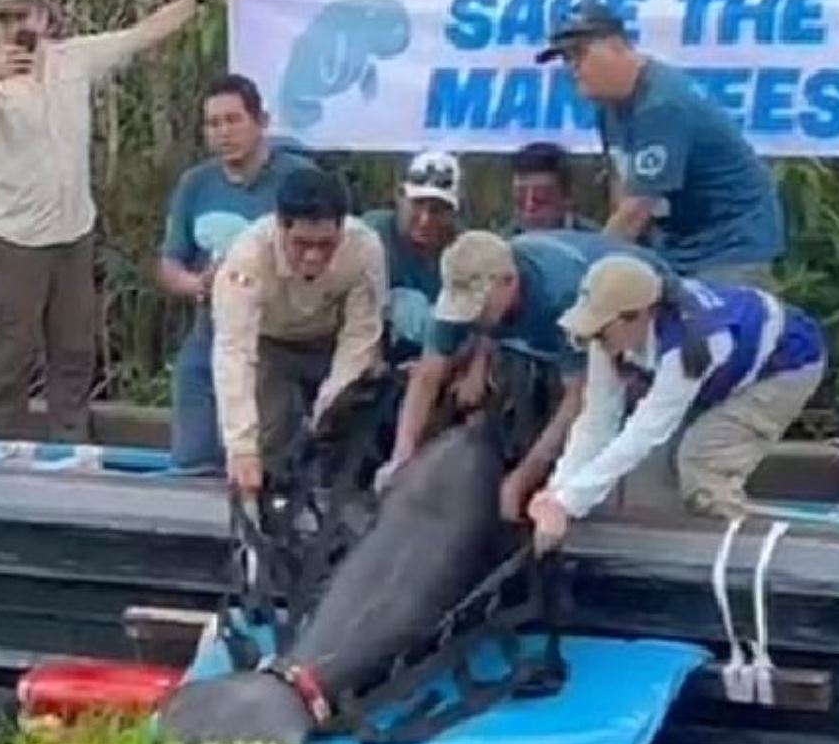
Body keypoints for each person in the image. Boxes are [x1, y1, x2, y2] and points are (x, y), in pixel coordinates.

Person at [0, 0, 236, 443]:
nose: (12, 26)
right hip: (15, 241)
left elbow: (144, 34)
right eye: (2, 18)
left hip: (73, 235)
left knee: (75, 350)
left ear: (43, 16)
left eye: (20, 15)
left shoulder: (73, 59)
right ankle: (3, 448)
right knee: (11, 355)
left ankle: (71, 442)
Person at [526, 256, 825, 548]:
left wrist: (569, 503)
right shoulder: (606, 338)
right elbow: (597, 419)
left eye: (600, 331)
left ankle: (739, 555)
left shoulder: (690, 347)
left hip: (786, 365)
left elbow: (645, 432)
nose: (593, 341)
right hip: (724, 371)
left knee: (702, 464)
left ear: (639, 315)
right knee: (659, 466)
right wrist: (558, 492)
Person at [380, 230, 668, 519]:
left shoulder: (562, 295)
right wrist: (401, 455)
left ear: (510, 283)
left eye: (479, 309)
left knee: (607, 413)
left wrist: (521, 480)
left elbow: (578, 399)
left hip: (634, 317)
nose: (472, 318)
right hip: (539, 337)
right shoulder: (475, 278)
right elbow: (428, 375)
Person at [537, 3, 784, 286]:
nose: (572, 68)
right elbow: (623, 183)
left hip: (730, 244)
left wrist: (590, 270)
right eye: (566, 59)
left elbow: (636, 210)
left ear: (617, 46)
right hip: (678, 243)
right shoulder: (609, 106)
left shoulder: (661, 105)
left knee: (708, 326)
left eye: (580, 54)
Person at [157, 74, 318, 474]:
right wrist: (197, 284)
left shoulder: (298, 179)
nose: (223, 132)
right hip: (208, 330)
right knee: (193, 462)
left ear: (260, 120)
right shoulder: (195, 184)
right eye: (213, 124)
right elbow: (169, 263)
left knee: (261, 462)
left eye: (233, 120)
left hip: (274, 337)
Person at [212, 167, 387, 497]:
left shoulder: (365, 249)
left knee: (347, 426)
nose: (313, 256)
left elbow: (361, 336)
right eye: (302, 243)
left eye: (325, 244)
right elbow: (234, 352)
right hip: (267, 343)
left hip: (329, 342)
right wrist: (242, 447)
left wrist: (331, 404)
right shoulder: (248, 256)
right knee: (268, 441)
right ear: (281, 227)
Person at [361, 150, 463, 365]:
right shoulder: (370, 233)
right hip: (371, 342)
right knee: (406, 301)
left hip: (442, 355)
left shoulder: (463, 248)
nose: (425, 219)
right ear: (399, 196)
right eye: (417, 204)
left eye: (437, 210)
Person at [508, 142, 595, 234]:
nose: (529, 209)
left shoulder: (594, 241)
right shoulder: (502, 242)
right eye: (520, 202)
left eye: (541, 200)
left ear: (568, 198)